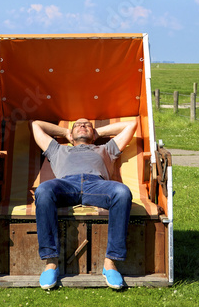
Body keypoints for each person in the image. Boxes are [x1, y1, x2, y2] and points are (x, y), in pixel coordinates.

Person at [30, 117, 137, 290]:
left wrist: (98, 132)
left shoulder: (105, 148)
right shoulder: (57, 149)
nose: (82, 126)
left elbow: (131, 125)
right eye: (77, 125)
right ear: (70, 136)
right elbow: (36, 125)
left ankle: (110, 263)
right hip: (66, 184)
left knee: (122, 192)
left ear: (93, 134)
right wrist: (65, 132)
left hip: (97, 184)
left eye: (87, 125)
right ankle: (51, 263)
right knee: (43, 190)